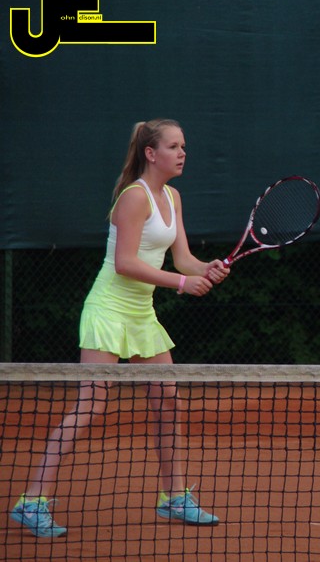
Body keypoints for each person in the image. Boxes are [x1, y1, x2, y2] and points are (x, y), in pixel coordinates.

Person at [10, 119, 231, 538]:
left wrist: (206, 268)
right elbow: (125, 263)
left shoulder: (173, 197)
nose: (182, 153)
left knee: (168, 400)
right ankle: (32, 501)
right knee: (91, 404)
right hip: (108, 310)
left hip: (141, 314)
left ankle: (174, 497)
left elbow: (183, 259)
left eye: (183, 146)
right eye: (173, 146)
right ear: (151, 153)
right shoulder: (133, 197)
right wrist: (182, 284)